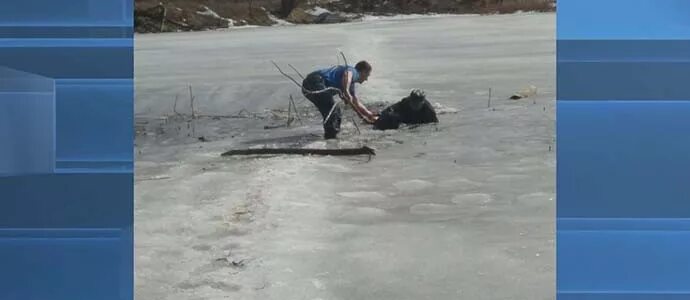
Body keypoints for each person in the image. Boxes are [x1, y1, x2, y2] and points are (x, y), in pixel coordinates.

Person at [301, 60, 378, 139]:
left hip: (307, 87)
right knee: (333, 110)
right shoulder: (353, 71)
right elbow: (347, 74)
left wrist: (368, 114)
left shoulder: (351, 84)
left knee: (331, 111)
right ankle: (331, 137)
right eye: (367, 75)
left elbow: (355, 101)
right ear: (363, 72)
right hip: (315, 81)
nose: (366, 79)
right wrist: (346, 91)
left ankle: (331, 136)